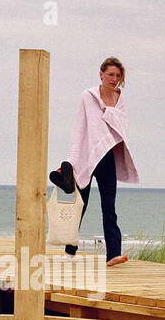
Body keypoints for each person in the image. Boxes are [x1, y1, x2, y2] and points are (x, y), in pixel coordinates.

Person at [48, 56, 138, 266]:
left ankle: (113, 254)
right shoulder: (87, 96)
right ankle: (70, 253)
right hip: (86, 157)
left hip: (108, 157)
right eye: (110, 75)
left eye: (117, 75)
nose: (114, 79)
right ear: (101, 74)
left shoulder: (119, 98)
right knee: (81, 205)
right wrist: (70, 160)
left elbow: (121, 126)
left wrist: (108, 112)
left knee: (109, 205)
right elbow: (79, 128)